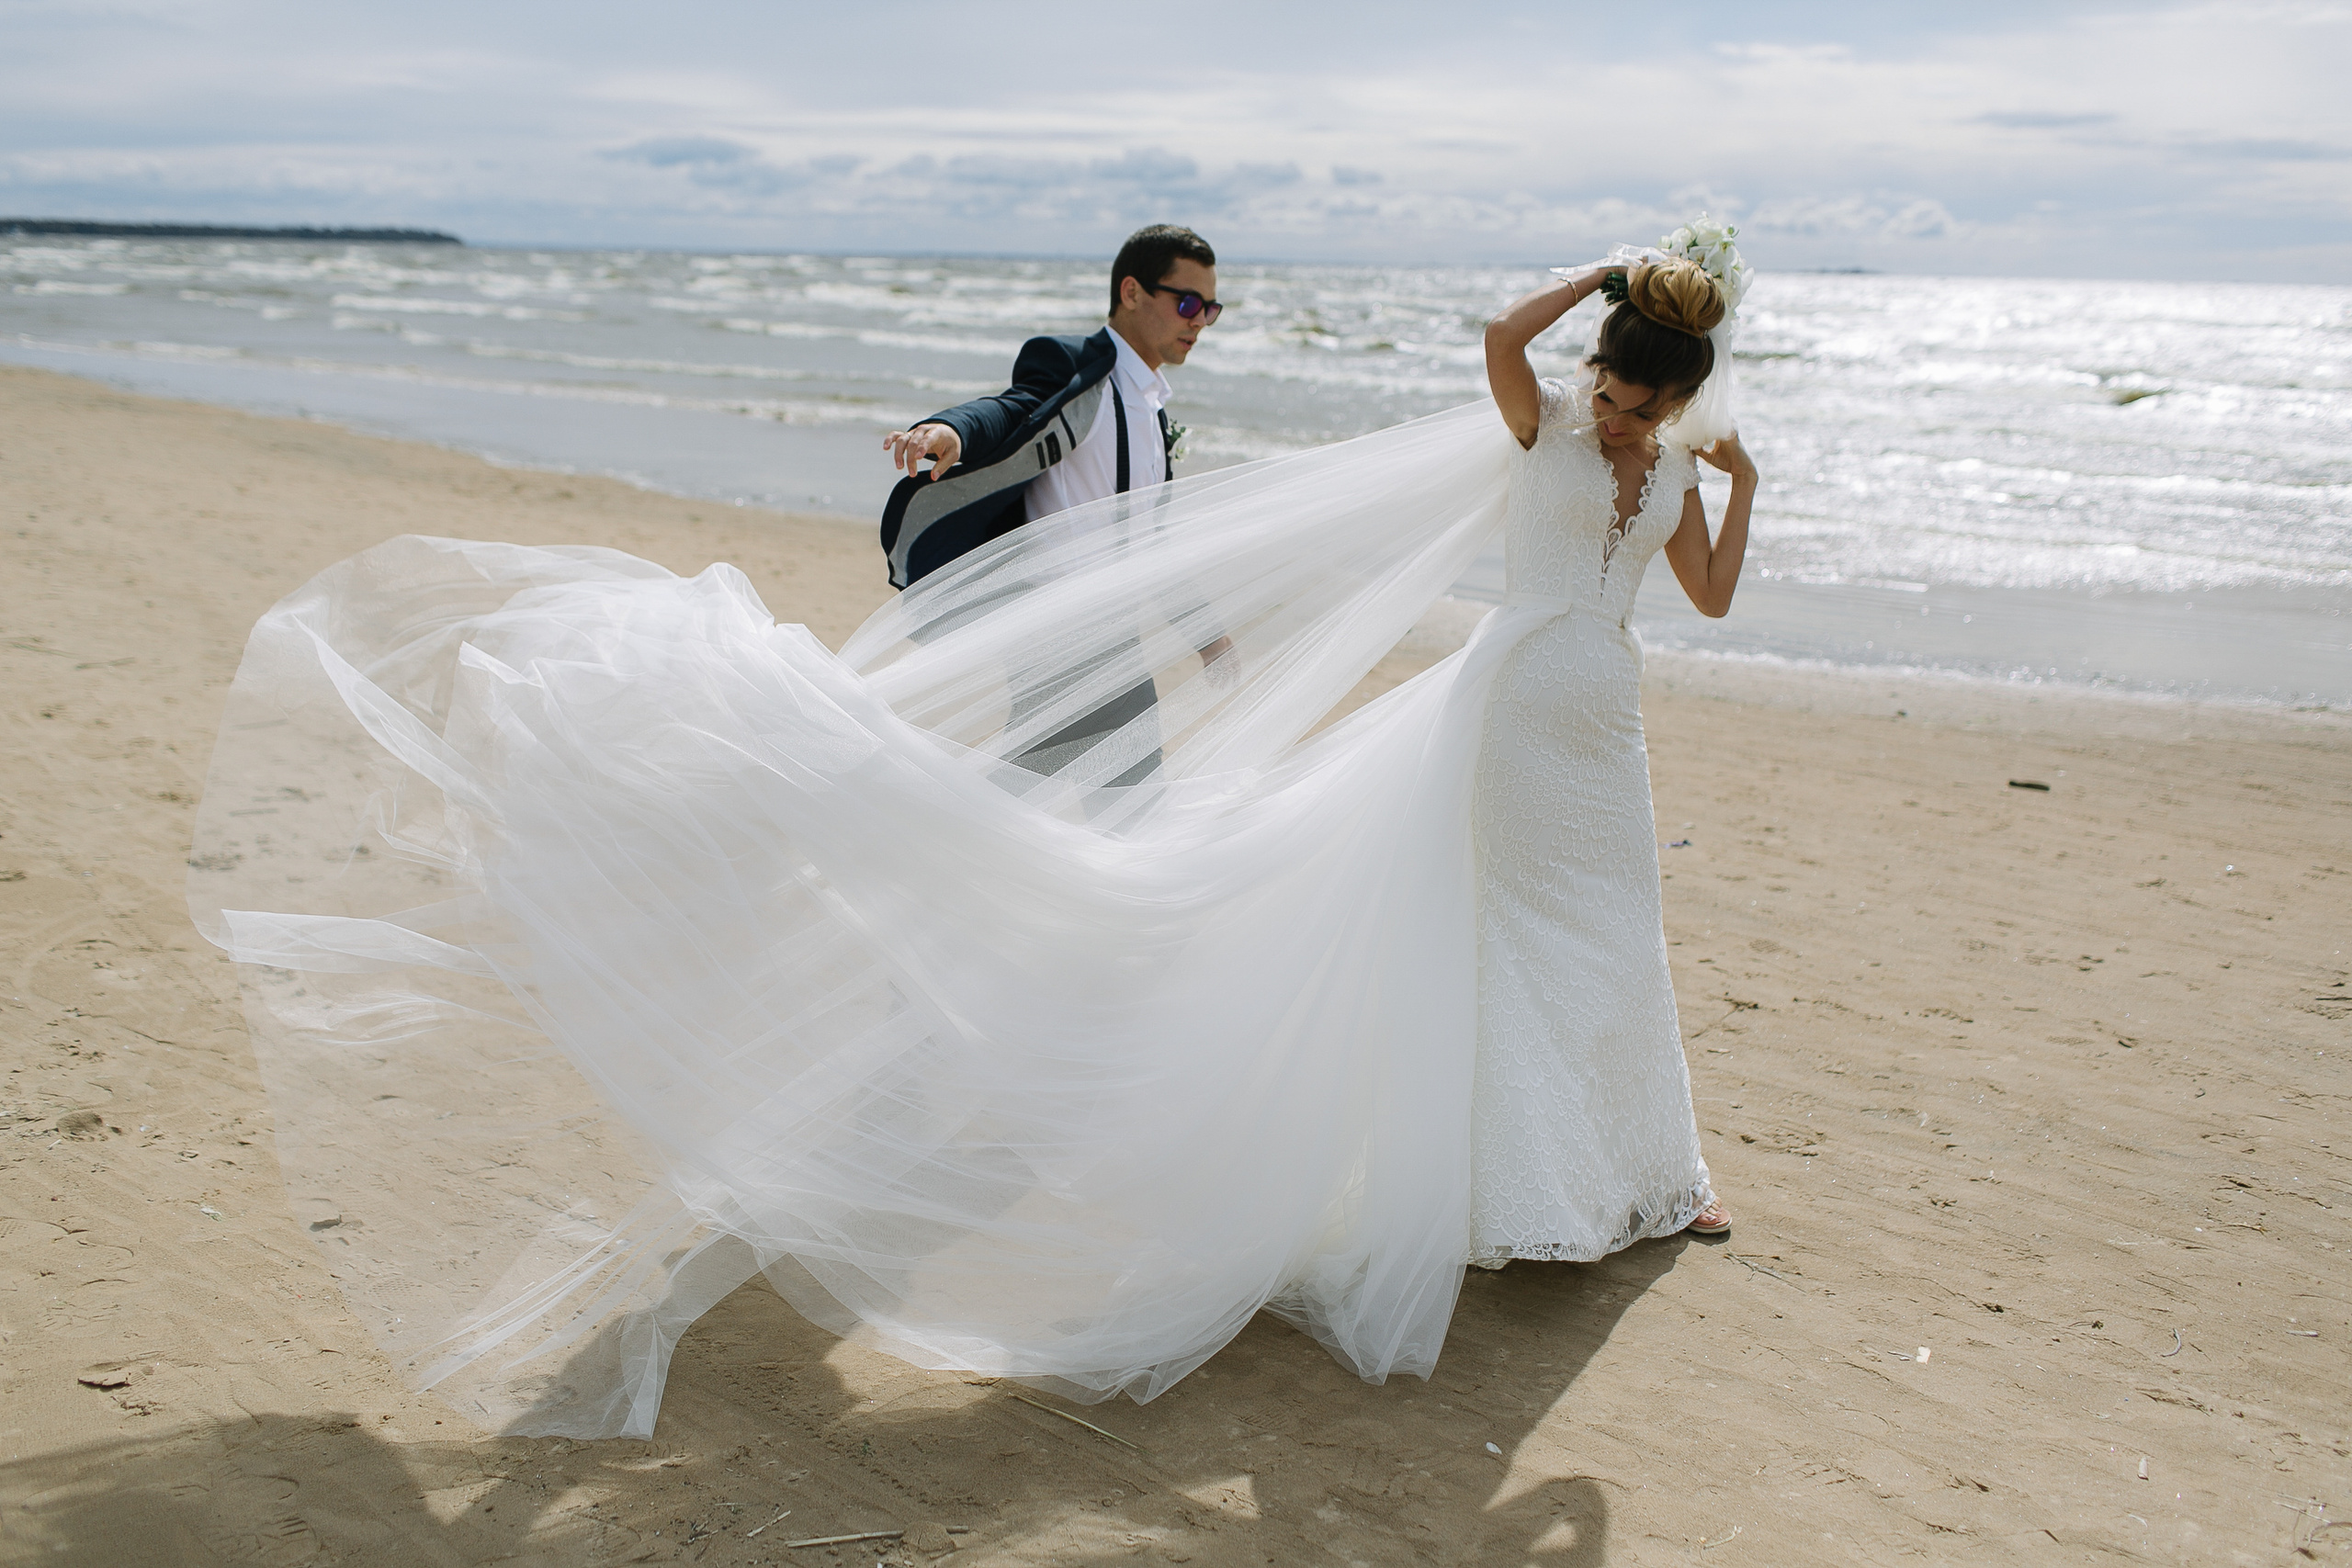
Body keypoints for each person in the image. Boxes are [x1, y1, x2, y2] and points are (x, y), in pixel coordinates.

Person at [187, 228, 1759, 1439]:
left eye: (1641, 398)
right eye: (1613, 385)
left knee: (1608, 935)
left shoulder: (1678, 469)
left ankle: (1645, 1169)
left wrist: (1738, 485)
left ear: (1682, 400)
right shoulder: (1539, 433)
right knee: (1450, 923)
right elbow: (1490, 342)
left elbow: (1704, 595)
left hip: (1600, 727)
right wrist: (1604, 277)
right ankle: (1028, 997)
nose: (1616, 410)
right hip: (1498, 712)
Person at [876, 223, 1234, 781]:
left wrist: (1205, 635)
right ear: (1132, 292)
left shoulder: (1153, 412)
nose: (1198, 321)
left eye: (1210, 310)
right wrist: (952, 431)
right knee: (1118, 805)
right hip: (1056, 634)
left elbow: (1150, 541)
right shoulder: (1073, 366)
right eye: (1188, 302)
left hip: (1113, 640)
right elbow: (1011, 410)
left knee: (1023, 800)